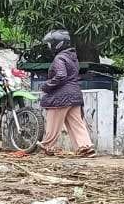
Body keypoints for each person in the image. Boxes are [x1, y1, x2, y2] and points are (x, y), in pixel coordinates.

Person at [21, 29, 93, 158]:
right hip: (75, 95)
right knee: (76, 123)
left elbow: (61, 75)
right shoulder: (72, 58)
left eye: (50, 44)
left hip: (60, 97)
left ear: (57, 44)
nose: (49, 47)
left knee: (53, 123)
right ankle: (85, 147)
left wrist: (46, 86)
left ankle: (48, 147)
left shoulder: (60, 58)